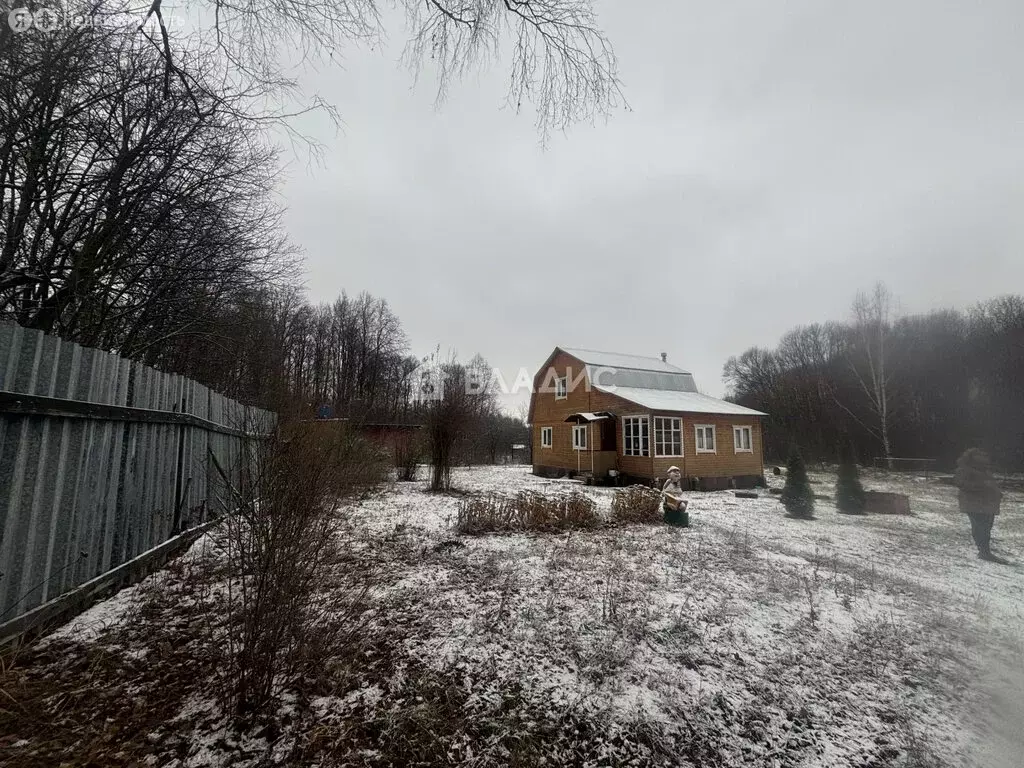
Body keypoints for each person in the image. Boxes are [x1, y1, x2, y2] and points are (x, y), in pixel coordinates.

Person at [954, 448, 1003, 561]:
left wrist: (997, 492)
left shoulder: (985, 470)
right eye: (980, 455)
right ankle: (984, 552)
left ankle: (986, 551)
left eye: (984, 455)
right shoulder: (965, 469)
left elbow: (990, 484)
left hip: (987, 504)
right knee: (980, 528)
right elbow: (960, 483)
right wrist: (982, 486)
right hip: (974, 504)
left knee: (986, 528)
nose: (984, 458)